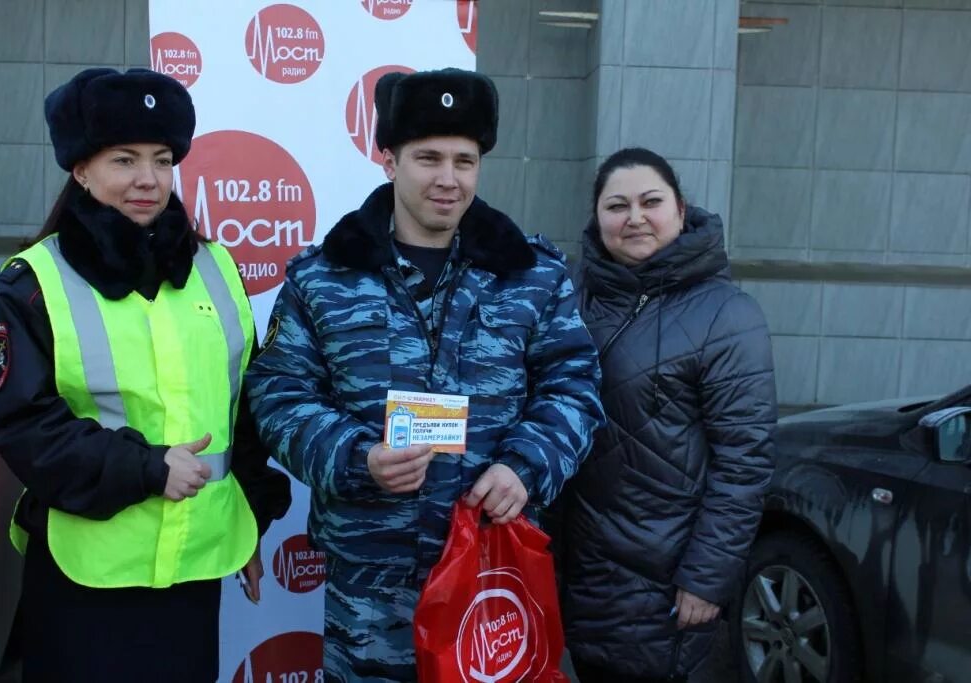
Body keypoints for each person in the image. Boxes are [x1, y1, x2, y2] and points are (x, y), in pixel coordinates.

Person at [245, 67, 604, 682]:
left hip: (492, 577)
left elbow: (574, 386)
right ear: (389, 160)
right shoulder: (324, 277)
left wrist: (524, 467)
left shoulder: (534, 274)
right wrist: (357, 457)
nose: (448, 179)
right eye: (428, 158)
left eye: (464, 161)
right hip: (369, 587)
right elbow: (278, 394)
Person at [0, 68, 290, 683]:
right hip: (86, 574)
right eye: (123, 160)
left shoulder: (217, 268)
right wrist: (146, 468)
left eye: (162, 159)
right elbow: (23, 425)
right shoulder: (32, 283)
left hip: (196, 567)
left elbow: (243, 410)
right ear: (80, 169)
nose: (147, 180)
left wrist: (249, 519)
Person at [558, 148, 777, 682]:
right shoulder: (567, 298)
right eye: (617, 206)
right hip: (581, 574)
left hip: (667, 584)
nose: (634, 217)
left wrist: (706, 577)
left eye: (650, 201)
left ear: (680, 209)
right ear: (598, 218)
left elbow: (743, 463)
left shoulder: (727, 314)